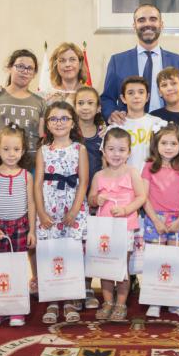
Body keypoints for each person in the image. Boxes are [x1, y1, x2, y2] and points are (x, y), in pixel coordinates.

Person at [0, 49, 46, 298]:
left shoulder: (39, 102)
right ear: (9, 67)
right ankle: (1, 283)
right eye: (20, 66)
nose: (25, 71)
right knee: (2, 221)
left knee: (29, 227)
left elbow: (43, 138)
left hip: (29, 171)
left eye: (30, 68)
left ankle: (36, 280)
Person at [35, 101, 89, 324]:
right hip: (49, 208)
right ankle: (51, 300)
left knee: (71, 254)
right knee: (50, 254)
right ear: (47, 124)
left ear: (73, 122)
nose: (59, 123)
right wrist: (41, 212)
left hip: (72, 208)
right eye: (54, 119)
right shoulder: (43, 150)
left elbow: (84, 181)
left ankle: (69, 299)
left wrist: (74, 211)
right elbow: (37, 183)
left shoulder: (79, 149)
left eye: (64, 118)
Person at [0, 124, 36, 327]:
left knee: (18, 269)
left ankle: (16, 309)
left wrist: (32, 230)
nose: (11, 154)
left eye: (16, 149)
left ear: (22, 151)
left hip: (20, 227)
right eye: (6, 149)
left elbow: (31, 203)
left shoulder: (26, 176)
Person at [89, 127, 147, 322]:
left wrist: (125, 210)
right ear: (103, 151)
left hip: (126, 227)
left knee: (121, 266)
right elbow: (90, 199)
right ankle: (107, 301)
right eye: (112, 149)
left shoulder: (132, 173)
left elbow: (141, 197)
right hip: (104, 230)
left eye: (122, 150)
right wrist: (97, 199)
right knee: (105, 266)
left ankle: (121, 302)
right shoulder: (98, 176)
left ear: (129, 153)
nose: (116, 154)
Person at [101, 4, 179, 123]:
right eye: (141, 20)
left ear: (161, 24)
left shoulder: (178, 61)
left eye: (153, 19)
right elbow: (107, 98)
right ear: (134, 26)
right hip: (130, 128)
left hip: (169, 129)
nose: (147, 24)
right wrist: (111, 113)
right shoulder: (117, 61)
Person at [142, 122, 179, 318]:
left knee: (175, 261)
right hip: (155, 220)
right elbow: (144, 196)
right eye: (164, 143)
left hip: (177, 220)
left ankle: (175, 301)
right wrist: (155, 220)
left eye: (173, 143)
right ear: (156, 144)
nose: (169, 147)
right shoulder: (149, 167)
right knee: (156, 260)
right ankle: (154, 300)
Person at [75, 86, 106, 310]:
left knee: (91, 245)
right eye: (81, 103)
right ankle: (73, 286)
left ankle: (87, 287)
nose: (85, 107)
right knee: (75, 244)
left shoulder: (103, 134)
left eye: (90, 103)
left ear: (98, 108)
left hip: (95, 198)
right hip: (71, 197)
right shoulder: (68, 132)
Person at [117, 76, 162, 172]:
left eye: (141, 92)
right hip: (124, 182)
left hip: (152, 180)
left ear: (147, 97)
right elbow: (106, 161)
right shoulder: (116, 126)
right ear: (123, 98)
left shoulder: (158, 123)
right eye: (130, 93)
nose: (136, 96)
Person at [150, 67, 179, 133]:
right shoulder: (153, 117)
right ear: (160, 92)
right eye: (164, 85)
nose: (169, 88)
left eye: (174, 83)